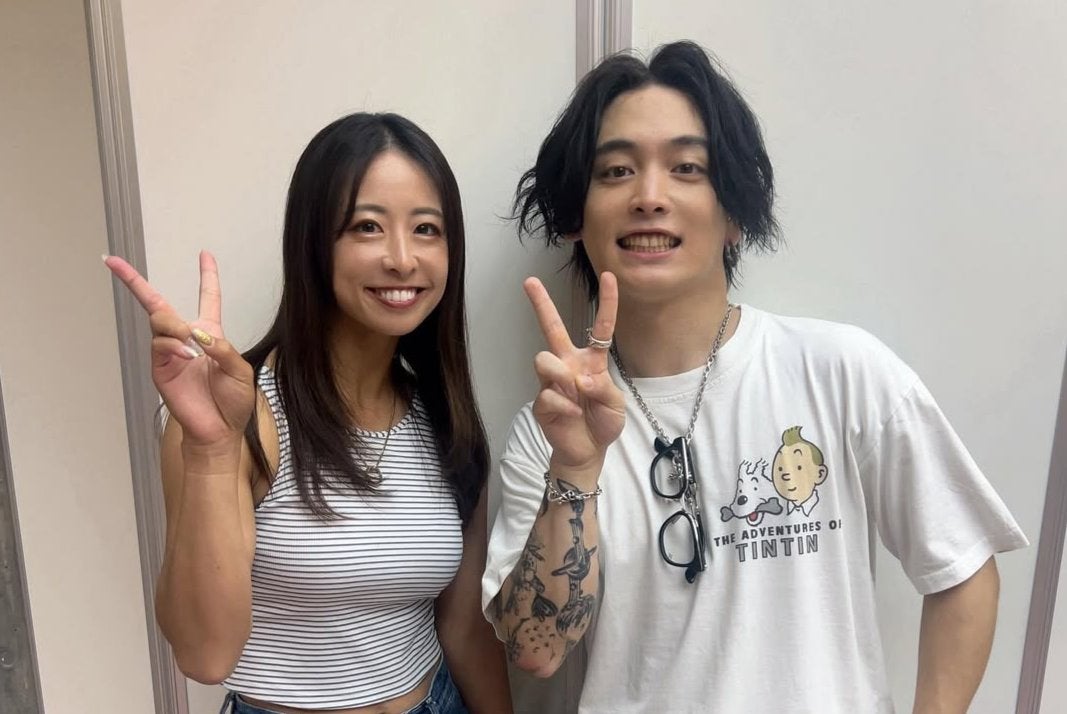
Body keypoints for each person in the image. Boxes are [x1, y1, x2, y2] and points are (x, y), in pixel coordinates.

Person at [481, 40, 1027, 713]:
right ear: (574, 217)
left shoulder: (841, 372)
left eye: (687, 167)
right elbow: (535, 650)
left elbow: (963, 568)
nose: (649, 196)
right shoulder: (546, 432)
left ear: (735, 213)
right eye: (616, 171)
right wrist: (574, 468)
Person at [105, 112, 512, 714]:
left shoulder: (445, 418)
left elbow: (465, 628)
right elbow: (204, 656)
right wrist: (212, 450)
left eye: (427, 229)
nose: (403, 259)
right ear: (313, 243)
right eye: (367, 226)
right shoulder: (237, 414)